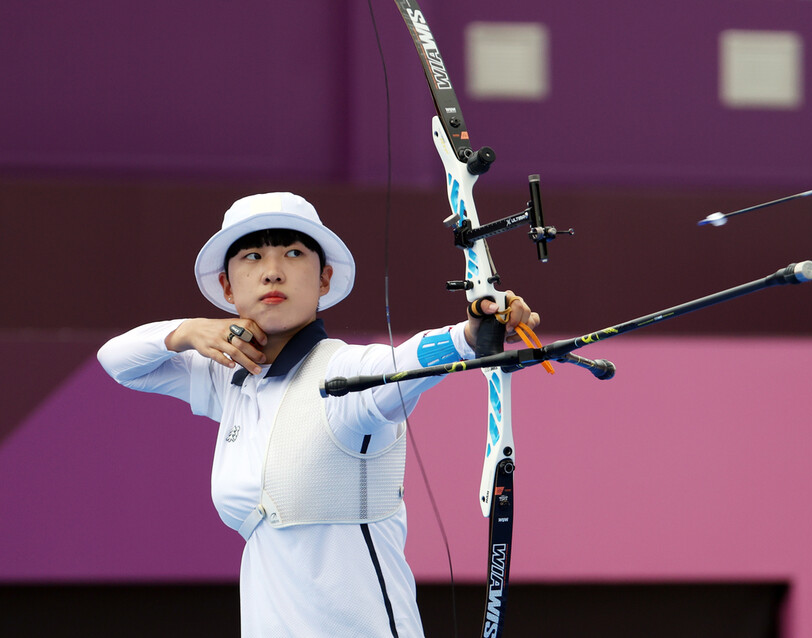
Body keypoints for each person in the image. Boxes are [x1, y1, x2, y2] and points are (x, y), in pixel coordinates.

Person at [97, 192, 539, 637]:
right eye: (252, 256)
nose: (272, 270)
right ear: (228, 287)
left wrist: (469, 336)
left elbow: (401, 364)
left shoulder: (343, 373)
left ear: (324, 279)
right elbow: (118, 362)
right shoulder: (229, 377)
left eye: (293, 253)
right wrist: (185, 331)